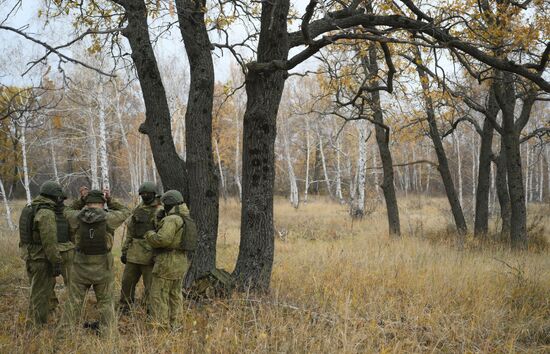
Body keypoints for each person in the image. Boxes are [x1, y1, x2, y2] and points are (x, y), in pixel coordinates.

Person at [59, 188, 130, 337]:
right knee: (106, 303)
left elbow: (66, 210)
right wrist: (110, 200)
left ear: (87, 202)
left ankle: (64, 334)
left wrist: (81, 199)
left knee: (74, 301)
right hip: (103, 266)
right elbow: (125, 210)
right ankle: (108, 335)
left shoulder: (77, 217)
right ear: (102, 202)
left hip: (80, 266)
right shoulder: (109, 218)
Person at [144, 190, 192, 330]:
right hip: (180, 261)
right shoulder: (184, 216)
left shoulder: (172, 219)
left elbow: (162, 239)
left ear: (169, 204)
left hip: (167, 262)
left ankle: (161, 327)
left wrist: (149, 234)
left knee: (159, 294)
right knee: (175, 295)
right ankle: (175, 325)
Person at [19, 181, 64, 327]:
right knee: (41, 294)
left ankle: (40, 319)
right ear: (54, 197)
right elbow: (49, 242)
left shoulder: (29, 207)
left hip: (30, 256)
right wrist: (56, 261)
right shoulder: (46, 213)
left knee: (36, 290)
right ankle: (36, 326)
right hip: (41, 259)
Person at [119, 182, 161, 313]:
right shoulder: (138, 209)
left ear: (154, 194)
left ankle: (151, 310)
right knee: (127, 282)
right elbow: (130, 231)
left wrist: (157, 255)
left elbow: (161, 235)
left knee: (150, 286)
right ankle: (125, 308)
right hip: (133, 254)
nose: (145, 196)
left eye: (147, 194)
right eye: (142, 194)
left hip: (149, 254)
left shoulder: (159, 211)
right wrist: (125, 251)